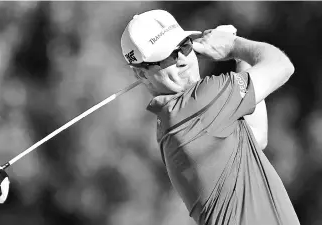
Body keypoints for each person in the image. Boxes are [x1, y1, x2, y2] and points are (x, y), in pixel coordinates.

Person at [120, 9, 300, 225]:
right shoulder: (200, 103)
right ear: (140, 73)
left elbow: (257, 136)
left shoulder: (177, 118)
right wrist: (233, 45)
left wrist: (237, 55)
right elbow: (282, 66)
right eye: (167, 56)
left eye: (184, 46)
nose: (182, 60)